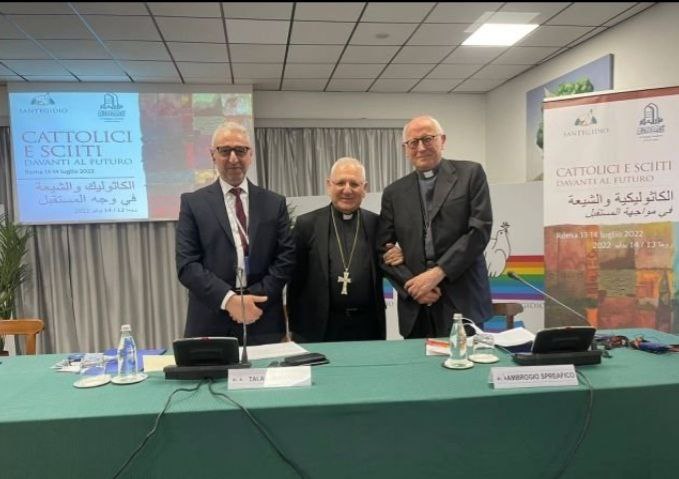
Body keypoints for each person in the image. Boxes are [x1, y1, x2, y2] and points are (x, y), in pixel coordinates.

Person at [176, 121, 295, 345]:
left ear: (250, 155)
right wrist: (230, 300)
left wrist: (251, 299)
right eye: (225, 150)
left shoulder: (274, 203)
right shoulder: (193, 203)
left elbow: (285, 258)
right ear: (212, 155)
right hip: (211, 319)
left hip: (262, 316)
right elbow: (187, 265)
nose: (233, 158)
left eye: (240, 150)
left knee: (268, 370)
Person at [378, 115, 493, 338]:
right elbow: (383, 247)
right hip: (417, 305)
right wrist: (412, 286)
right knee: (416, 361)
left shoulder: (471, 174)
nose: (421, 148)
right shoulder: (394, 192)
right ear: (405, 149)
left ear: (443, 140)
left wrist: (437, 273)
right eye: (413, 142)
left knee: (464, 360)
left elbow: (479, 231)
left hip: (463, 300)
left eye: (427, 139)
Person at [287, 157, 399, 342]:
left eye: (354, 184)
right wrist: (293, 327)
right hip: (319, 326)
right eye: (340, 183)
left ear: (364, 188)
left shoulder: (377, 224)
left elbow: (388, 260)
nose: (347, 190)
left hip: (368, 325)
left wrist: (400, 255)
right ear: (329, 185)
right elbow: (294, 281)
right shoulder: (306, 224)